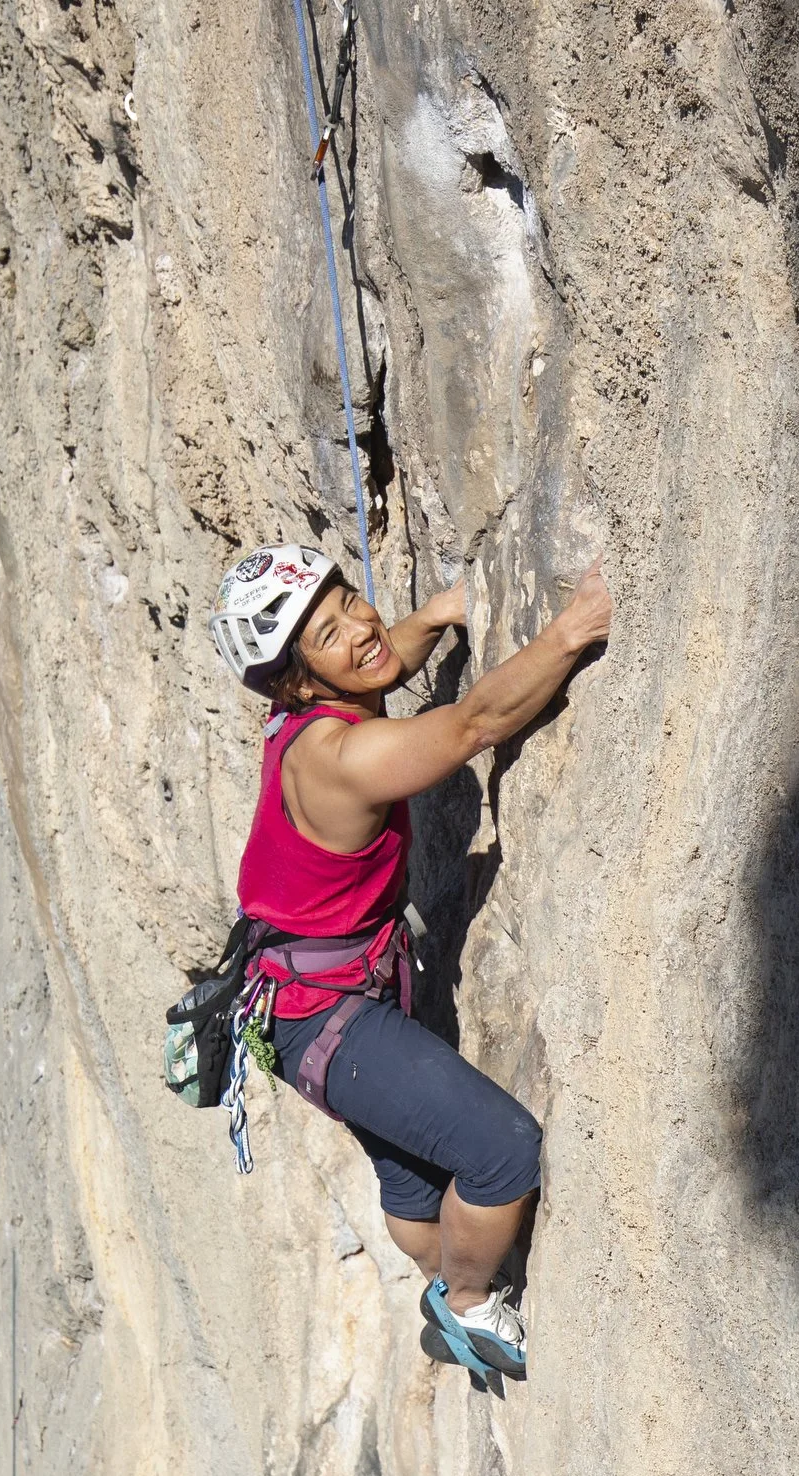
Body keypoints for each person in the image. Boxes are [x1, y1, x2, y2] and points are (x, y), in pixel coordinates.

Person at [209, 542, 613, 1379]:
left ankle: (438, 1279)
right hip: (324, 1015)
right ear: (296, 681)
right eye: (329, 631)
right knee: (501, 1150)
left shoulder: (306, 713)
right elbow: (474, 725)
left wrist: (428, 619)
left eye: (349, 597)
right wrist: (573, 632)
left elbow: (371, 657)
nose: (360, 624)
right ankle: (465, 1301)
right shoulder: (342, 760)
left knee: (415, 1178)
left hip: (301, 1001)